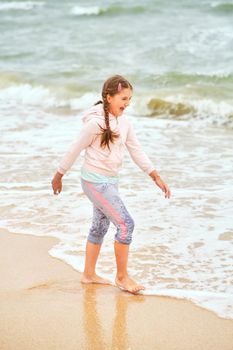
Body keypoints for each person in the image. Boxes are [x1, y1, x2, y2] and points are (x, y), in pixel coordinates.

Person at [51, 75, 171, 294]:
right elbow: (75, 149)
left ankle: (88, 275)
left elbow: (136, 150)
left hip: (110, 182)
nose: (127, 103)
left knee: (100, 226)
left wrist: (155, 176)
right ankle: (122, 277)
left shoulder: (125, 123)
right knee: (126, 224)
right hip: (95, 182)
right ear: (108, 97)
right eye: (123, 98)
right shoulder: (95, 123)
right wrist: (59, 175)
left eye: (129, 99)